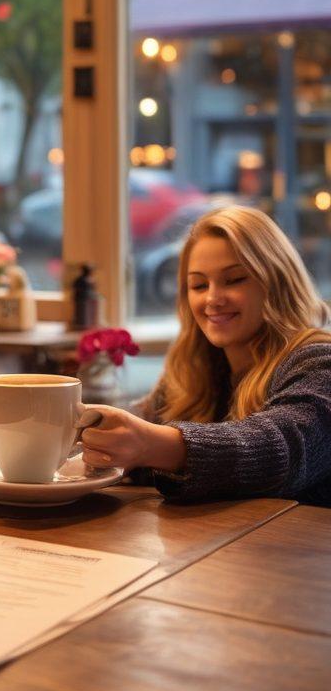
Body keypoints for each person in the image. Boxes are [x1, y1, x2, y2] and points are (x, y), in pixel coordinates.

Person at [81, 206, 331, 504]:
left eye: (234, 279)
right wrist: (87, 428)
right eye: (199, 285)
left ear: (275, 281)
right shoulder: (195, 368)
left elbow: (283, 449)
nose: (212, 299)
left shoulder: (319, 364)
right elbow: (141, 419)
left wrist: (150, 445)